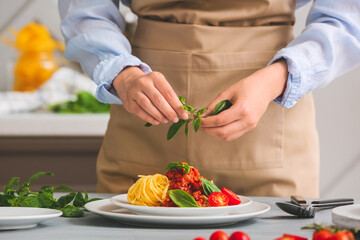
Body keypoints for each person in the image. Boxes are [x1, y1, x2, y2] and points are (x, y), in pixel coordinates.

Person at [59, 0, 360, 197]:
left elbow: (346, 20)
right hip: (141, 113)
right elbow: (85, 8)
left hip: (270, 113)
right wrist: (123, 75)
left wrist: (274, 80)